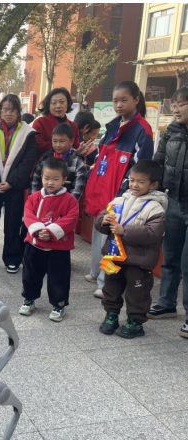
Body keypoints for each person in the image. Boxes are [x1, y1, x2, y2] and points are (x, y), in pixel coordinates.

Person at [85, 81, 154, 300]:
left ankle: (106, 282)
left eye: (124, 100)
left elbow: (141, 166)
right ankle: (96, 271)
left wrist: (126, 191)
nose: (119, 105)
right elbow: (101, 156)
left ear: (136, 100)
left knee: (113, 237)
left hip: (121, 192)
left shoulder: (142, 129)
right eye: (115, 101)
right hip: (102, 186)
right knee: (99, 229)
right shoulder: (113, 125)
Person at [95, 160, 167, 338]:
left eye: (141, 182)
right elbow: (101, 220)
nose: (134, 185)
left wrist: (124, 230)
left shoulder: (155, 208)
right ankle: (111, 315)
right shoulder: (119, 200)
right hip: (114, 256)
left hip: (138, 260)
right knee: (111, 288)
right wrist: (103, 221)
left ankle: (135, 321)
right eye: (132, 180)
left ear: (153, 184)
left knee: (137, 293)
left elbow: (153, 233)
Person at [0, 94, 37, 273]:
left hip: (14, 187)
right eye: (5, 110)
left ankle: (12, 257)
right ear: (0, 111)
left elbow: (27, 162)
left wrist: (11, 182)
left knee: (13, 223)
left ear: (18, 112)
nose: (8, 113)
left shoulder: (27, 133)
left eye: (12, 110)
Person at [148, 86, 188, 338]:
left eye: (181, 104)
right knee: (170, 256)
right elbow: (157, 162)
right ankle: (166, 304)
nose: (175, 108)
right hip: (174, 201)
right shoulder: (171, 131)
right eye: (174, 104)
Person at [20, 159, 80, 322]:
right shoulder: (34, 197)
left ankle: (58, 304)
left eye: (55, 179)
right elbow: (28, 215)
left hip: (59, 246)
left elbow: (71, 219)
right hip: (35, 243)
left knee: (59, 277)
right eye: (46, 178)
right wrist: (38, 230)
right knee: (30, 274)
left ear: (64, 179)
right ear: (41, 177)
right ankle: (29, 298)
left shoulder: (70, 200)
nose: (50, 182)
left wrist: (51, 232)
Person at [31, 123, 86, 201]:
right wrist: (35, 200)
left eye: (62, 141)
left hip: (65, 204)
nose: (58, 145)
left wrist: (67, 204)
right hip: (43, 201)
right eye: (55, 141)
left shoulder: (78, 162)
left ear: (71, 141)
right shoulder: (45, 158)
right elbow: (35, 181)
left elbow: (78, 189)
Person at [32, 88, 87, 161]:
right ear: (49, 106)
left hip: (68, 165)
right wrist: (62, 145)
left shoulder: (73, 126)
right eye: (54, 103)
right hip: (45, 164)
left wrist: (80, 151)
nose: (58, 106)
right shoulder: (40, 122)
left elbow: (75, 147)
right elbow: (37, 144)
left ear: (67, 104)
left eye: (62, 102)